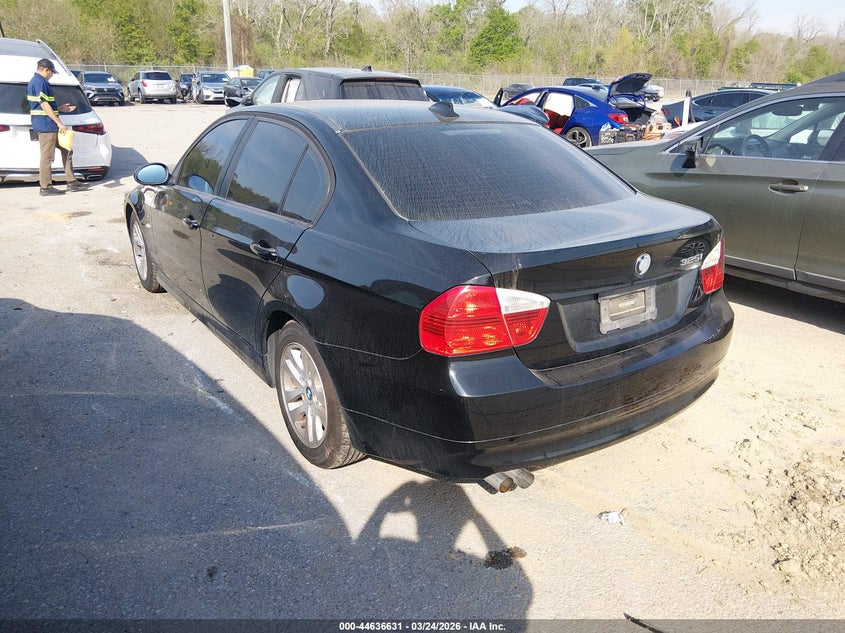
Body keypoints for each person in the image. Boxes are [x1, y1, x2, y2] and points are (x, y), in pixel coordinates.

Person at [26, 58, 89, 196]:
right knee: (47, 157)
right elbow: (43, 104)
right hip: (46, 125)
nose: (51, 75)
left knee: (67, 150)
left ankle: (71, 181)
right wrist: (59, 122)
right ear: (45, 69)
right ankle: (46, 187)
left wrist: (60, 109)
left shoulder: (40, 82)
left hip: (50, 124)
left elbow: (47, 106)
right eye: (51, 72)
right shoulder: (39, 82)